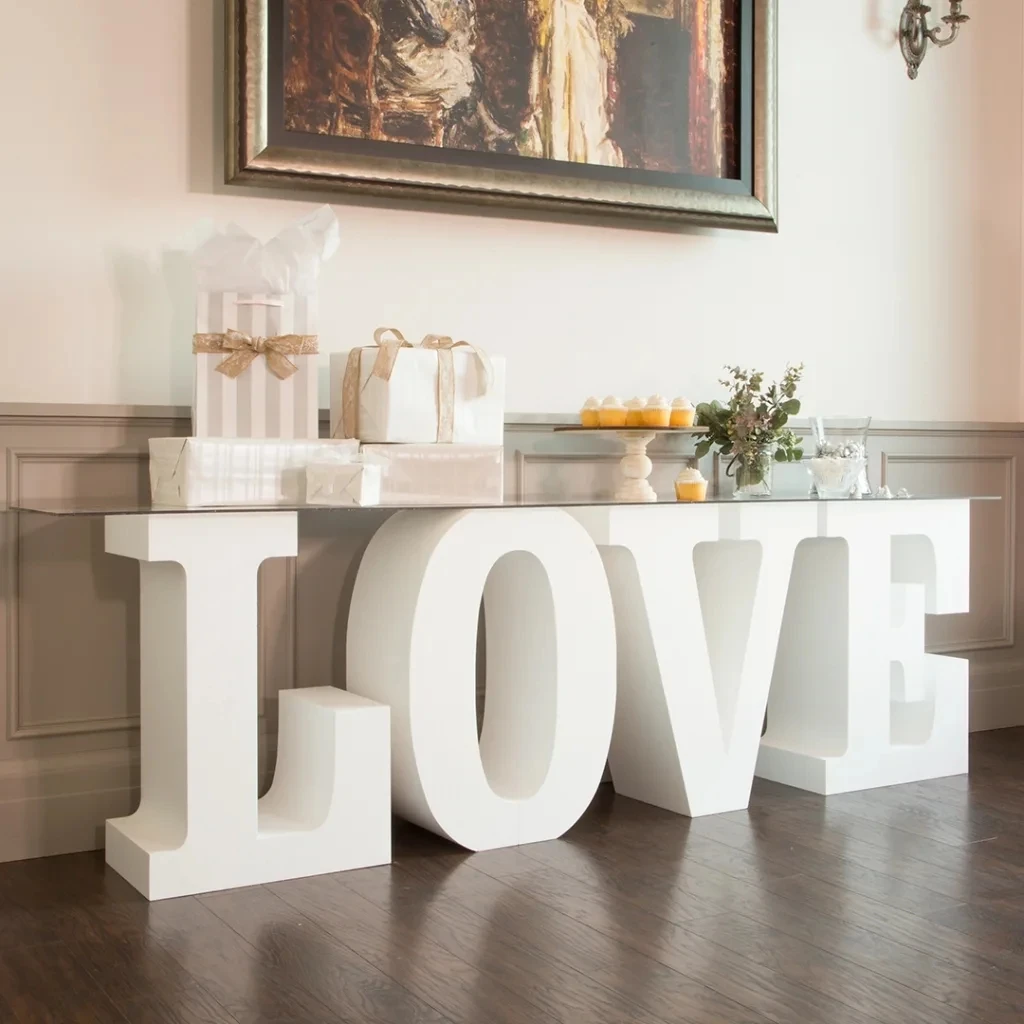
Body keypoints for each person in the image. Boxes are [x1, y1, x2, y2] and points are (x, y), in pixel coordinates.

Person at [521, 0, 624, 167]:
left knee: (586, 103)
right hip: (559, 27)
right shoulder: (557, 15)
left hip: (580, 29)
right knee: (560, 96)